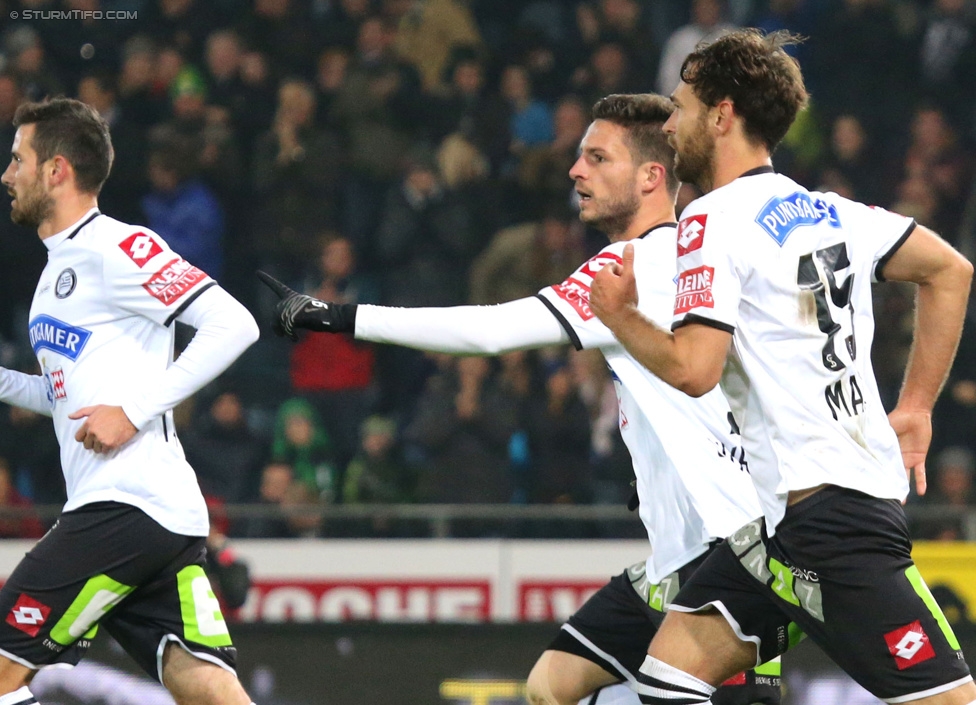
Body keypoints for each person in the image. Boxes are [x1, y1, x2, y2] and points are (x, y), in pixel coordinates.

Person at [259, 93, 780, 705]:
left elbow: (491, 330)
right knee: (551, 686)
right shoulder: (694, 257)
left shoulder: (632, 266)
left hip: (730, 554)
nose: (574, 170)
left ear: (650, 177)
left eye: (596, 157)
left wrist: (343, 316)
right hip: (681, 557)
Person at [589, 29, 975, 705]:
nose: (670, 124)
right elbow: (949, 269)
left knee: (947, 700)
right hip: (779, 527)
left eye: (680, 106)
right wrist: (915, 405)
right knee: (670, 671)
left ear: (722, 114)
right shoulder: (829, 209)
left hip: (830, 522)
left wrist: (620, 319)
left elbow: (693, 369)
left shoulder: (709, 220)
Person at [0, 98, 260, 705]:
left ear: (56, 170)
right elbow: (71, 400)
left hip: (124, 508)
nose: (6, 175)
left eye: (17, 160)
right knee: (209, 689)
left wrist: (135, 411)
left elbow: (234, 324)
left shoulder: (119, 246)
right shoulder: (55, 272)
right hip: (153, 520)